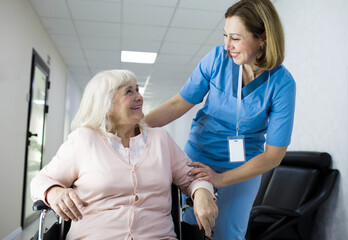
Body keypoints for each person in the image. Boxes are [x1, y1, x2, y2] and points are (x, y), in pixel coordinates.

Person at [145, 0, 296, 239]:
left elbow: (273, 155)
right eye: (225, 35)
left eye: (235, 38)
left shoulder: (282, 84)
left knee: (229, 233)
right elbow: (178, 103)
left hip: (244, 166)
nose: (227, 46)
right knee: (191, 227)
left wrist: (220, 179)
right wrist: (133, 127)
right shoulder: (217, 59)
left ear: (263, 38)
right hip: (200, 155)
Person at [30, 70, 218, 240]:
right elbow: (40, 181)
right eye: (129, 92)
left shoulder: (161, 139)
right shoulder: (84, 139)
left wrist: (201, 192)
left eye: (138, 90)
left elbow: (194, 178)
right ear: (107, 105)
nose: (139, 97)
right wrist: (54, 192)